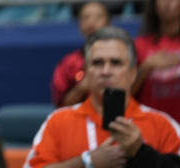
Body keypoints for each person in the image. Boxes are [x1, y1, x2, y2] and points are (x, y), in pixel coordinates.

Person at [25, 26, 180, 167]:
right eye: (98, 63)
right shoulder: (57, 122)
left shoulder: (163, 125)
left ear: (133, 73)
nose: (106, 71)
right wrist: (85, 162)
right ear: (86, 71)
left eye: (116, 63)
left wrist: (141, 152)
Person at [133, 0, 180, 122]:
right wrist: (147, 67)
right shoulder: (139, 44)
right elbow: (125, 92)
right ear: (154, 3)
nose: (167, 1)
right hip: (150, 126)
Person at [50, 2, 111, 107]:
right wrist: (82, 87)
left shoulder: (122, 60)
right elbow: (61, 106)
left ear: (109, 23)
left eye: (98, 16)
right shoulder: (70, 63)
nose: (92, 22)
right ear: (79, 25)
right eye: (86, 17)